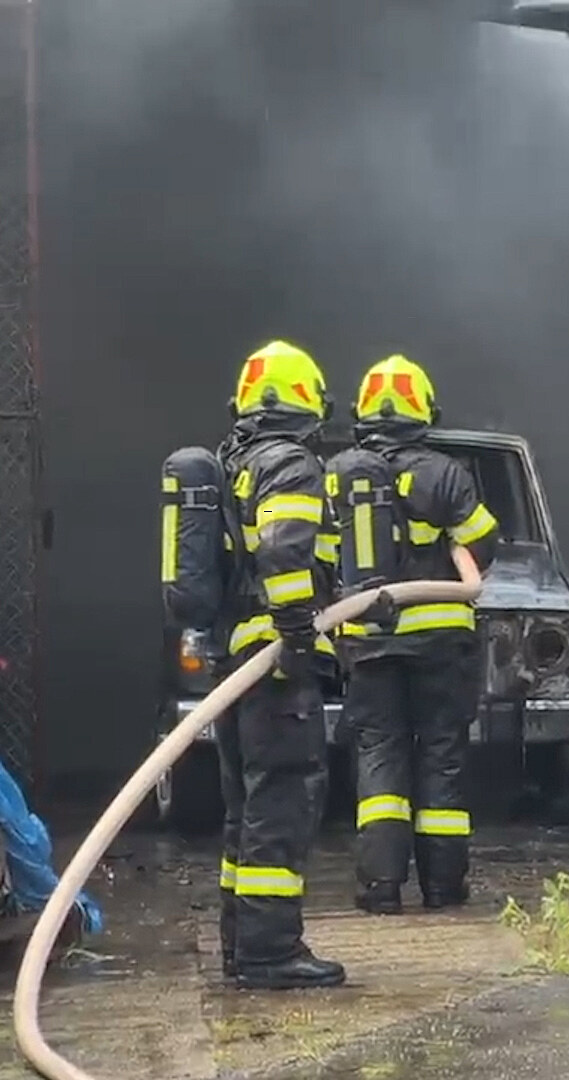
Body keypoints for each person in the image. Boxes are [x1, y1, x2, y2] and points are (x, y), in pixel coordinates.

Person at [336, 355, 500, 915]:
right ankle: (443, 888)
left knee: (379, 758)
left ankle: (380, 888)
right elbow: (482, 542)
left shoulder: (342, 476)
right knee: (441, 757)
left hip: (370, 641)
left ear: (362, 412)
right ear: (425, 412)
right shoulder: (446, 474)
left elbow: (325, 559)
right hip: (440, 644)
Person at [215, 339, 346, 989]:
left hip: (236, 659)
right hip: (274, 661)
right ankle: (270, 953)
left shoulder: (232, 463)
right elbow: (284, 555)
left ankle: (240, 946)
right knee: (283, 800)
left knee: (246, 807)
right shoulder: (291, 464)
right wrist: (297, 639)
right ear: (309, 404)